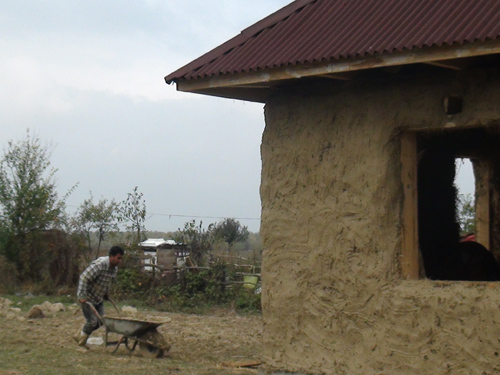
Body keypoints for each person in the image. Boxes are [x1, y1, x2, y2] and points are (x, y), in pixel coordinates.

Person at [73, 246, 124, 348]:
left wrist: (106, 293)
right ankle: (82, 342)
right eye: (118, 258)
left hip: (98, 297)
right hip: (88, 297)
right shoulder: (100, 265)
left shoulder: (114, 269)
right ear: (111, 256)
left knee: (101, 321)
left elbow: (106, 281)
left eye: (121, 258)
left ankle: (80, 334)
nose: (120, 261)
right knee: (92, 322)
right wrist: (82, 295)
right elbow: (84, 277)